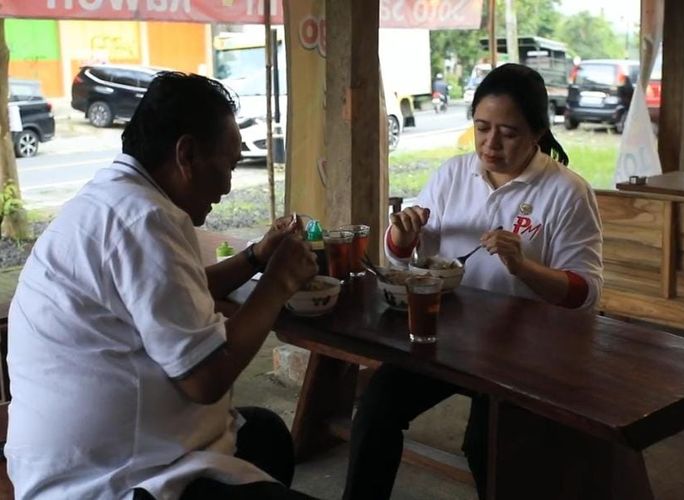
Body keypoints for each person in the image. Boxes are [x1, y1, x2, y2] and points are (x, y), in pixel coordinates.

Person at [6, 73, 319, 499]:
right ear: (186, 153)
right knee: (260, 442)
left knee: (266, 435)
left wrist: (256, 258)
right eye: (226, 164)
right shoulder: (145, 220)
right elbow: (207, 379)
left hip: (86, 455)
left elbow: (174, 293)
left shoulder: (117, 197)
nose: (228, 185)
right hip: (110, 480)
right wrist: (278, 283)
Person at [343, 63, 603, 500]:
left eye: (509, 132)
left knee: (488, 444)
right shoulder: (452, 175)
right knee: (375, 407)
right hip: (453, 336)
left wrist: (525, 268)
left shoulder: (566, 192)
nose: (490, 143)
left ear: (537, 133)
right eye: (482, 128)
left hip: (527, 351)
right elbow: (404, 256)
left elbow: (586, 295)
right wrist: (401, 236)